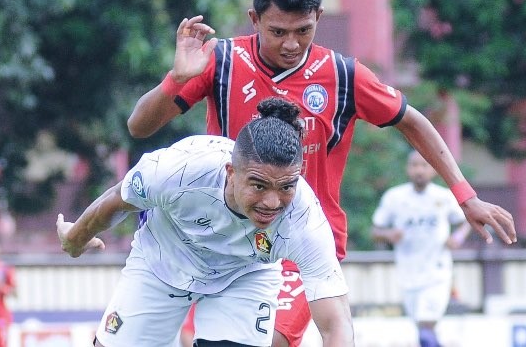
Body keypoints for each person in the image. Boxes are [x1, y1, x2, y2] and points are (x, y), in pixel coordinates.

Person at [126, 0, 517, 346]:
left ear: (319, 17)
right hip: (222, 240)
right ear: (254, 18)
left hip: (301, 241)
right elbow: (139, 126)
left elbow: (413, 122)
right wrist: (175, 80)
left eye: (304, 30)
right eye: (278, 31)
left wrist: (465, 195)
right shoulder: (221, 62)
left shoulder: (344, 75)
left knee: (269, 340)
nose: (292, 44)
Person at [56, 98, 354, 346]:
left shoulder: (304, 220)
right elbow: (115, 201)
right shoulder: (180, 171)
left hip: (244, 277)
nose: (273, 202)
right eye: (259, 186)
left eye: (287, 187)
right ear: (231, 172)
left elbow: (335, 323)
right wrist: (75, 239)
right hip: (161, 264)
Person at [371, 151, 472, 347]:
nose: (419, 170)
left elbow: (465, 222)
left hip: (437, 271)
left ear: (433, 170)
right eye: (414, 165)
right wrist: (389, 235)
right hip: (408, 271)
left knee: (427, 323)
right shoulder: (395, 197)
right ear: (407, 169)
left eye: (424, 165)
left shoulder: (443, 197)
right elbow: (376, 230)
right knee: (422, 327)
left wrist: (457, 238)